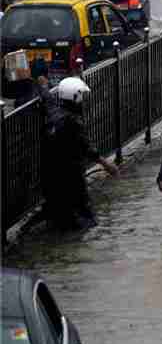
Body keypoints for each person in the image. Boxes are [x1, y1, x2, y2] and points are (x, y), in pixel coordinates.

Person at [42, 77, 119, 230]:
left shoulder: (53, 113)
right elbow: (87, 148)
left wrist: (43, 86)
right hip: (71, 172)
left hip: (51, 173)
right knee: (85, 214)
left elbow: (47, 99)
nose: (82, 101)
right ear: (74, 97)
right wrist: (107, 164)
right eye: (81, 97)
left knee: (60, 210)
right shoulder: (73, 122)